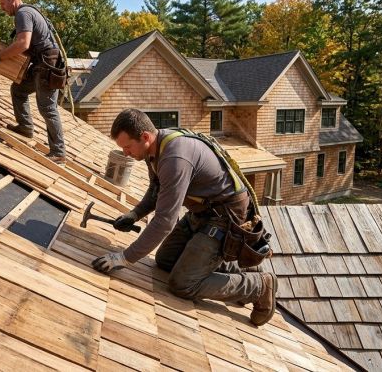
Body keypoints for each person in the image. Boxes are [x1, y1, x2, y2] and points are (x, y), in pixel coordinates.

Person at [91, 109, 277, 326]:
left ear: (144, 137)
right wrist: (135, 214)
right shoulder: (156, 148)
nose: (126, 153)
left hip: (225, 218)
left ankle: (259, 286)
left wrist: (123, 258)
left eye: (127, 147)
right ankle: (243, 268)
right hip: (202, 213)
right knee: (165, 260)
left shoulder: (174, 157)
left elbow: (164, 222)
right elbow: (156, 188)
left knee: (182, 283)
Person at [0, 0, 66, 164]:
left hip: (47, 65)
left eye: (3, 4)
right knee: (19, 90)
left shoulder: (23, 13)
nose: (2, 8)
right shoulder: (28, 12)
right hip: (41, 64)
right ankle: (25, 127)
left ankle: (58, 152)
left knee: (47, 107)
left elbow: (23, 44)